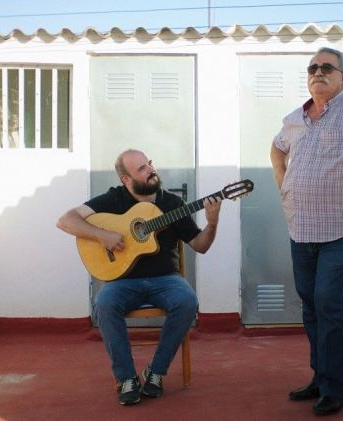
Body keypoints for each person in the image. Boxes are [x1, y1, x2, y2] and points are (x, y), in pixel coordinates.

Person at [269, 47, 343, 416]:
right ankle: (320, 378)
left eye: (327, 67)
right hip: (300, 228)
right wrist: (284, 186)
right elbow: (276, 149)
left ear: (342, 78)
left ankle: (335, 387)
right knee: (311, 305)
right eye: (313, 67)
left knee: (329, 302)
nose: (318, 72)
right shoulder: (294, 119)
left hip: (341, 229)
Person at [57, 149, 222, 406]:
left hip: (166, 278)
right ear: (126, 179)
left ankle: (155, 372)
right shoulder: (114, 200)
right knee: (105, 303)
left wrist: (212, 223)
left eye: (150, 164)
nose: (151, 170)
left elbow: (200, 245)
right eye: (142, 169)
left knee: (187, 301)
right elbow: (65, 221)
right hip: (122, 281)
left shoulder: (172, 205)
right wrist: (103, 235)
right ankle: (126, 378)